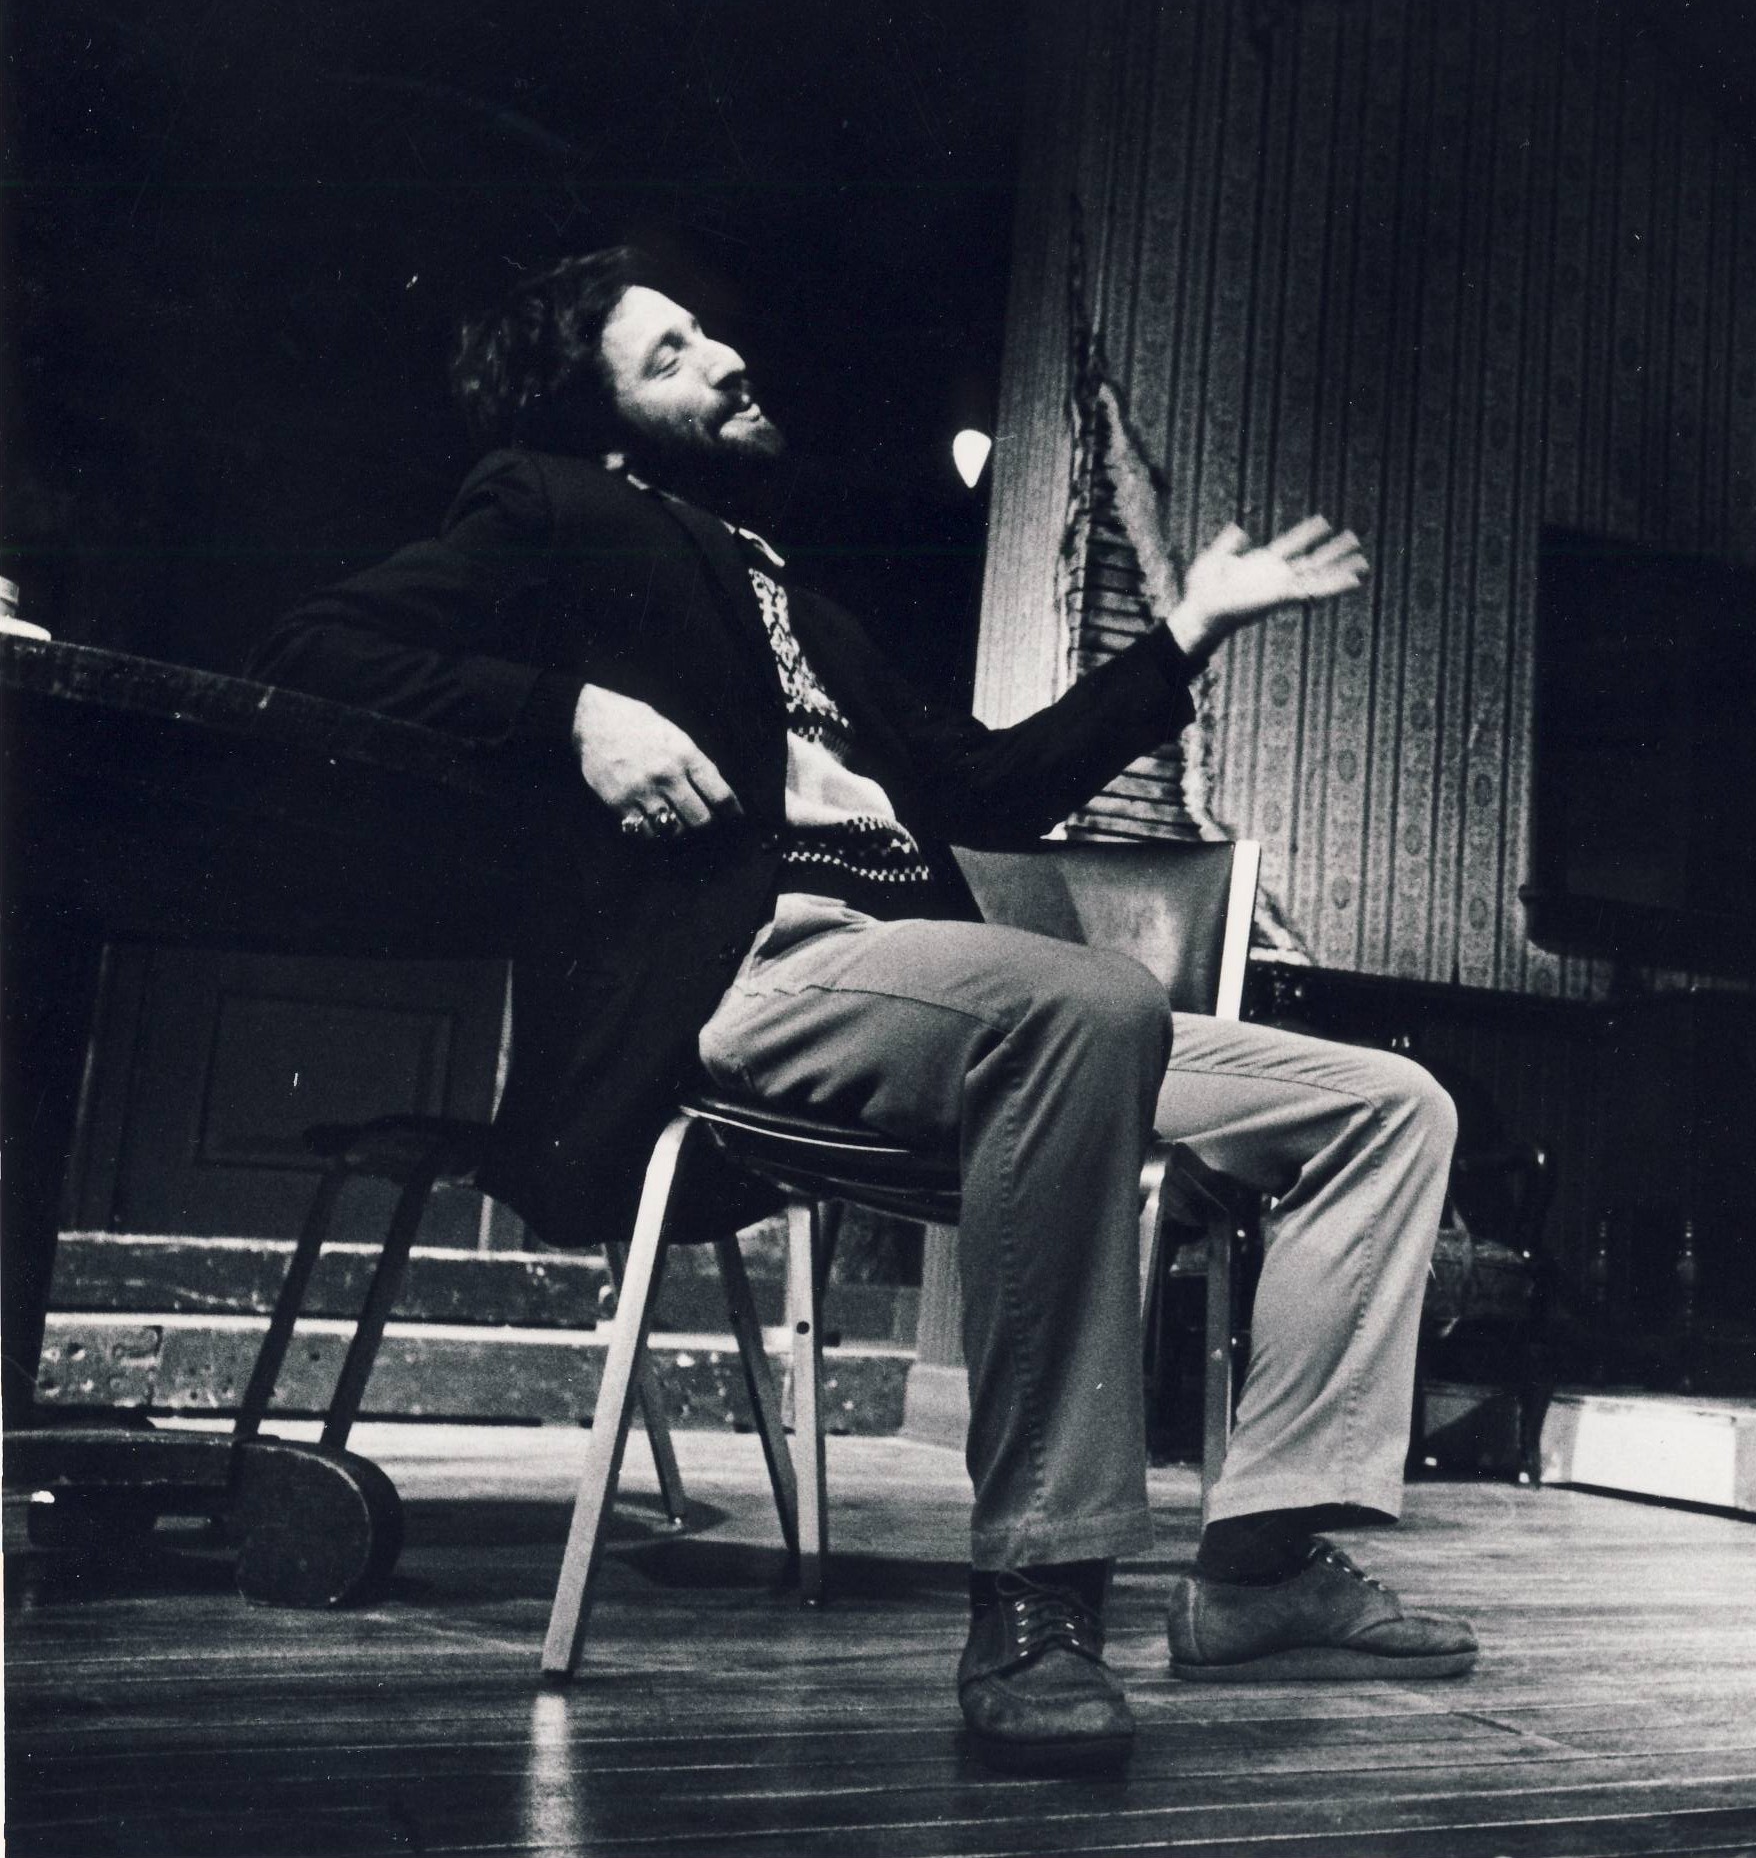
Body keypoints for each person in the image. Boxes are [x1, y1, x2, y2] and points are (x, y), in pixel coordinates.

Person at [252, 246, 1474, 1765]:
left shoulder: (807, 611)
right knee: (1085, 1008)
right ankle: (1036, 1598)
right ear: (602, 427)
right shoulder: (553, 506)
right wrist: (571, 714)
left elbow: (995, 787)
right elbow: (316, 649)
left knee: (1385, 1106)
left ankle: (1263, 1568)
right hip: (759, 972)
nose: (726, 358)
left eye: (710, 331)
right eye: (669, 354)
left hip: (936, 985)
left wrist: (1187, 634)